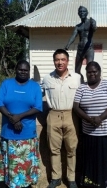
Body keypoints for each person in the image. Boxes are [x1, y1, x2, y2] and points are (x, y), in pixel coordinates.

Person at [73, 61, 107, 188]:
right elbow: (76, 107)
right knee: (91, 159)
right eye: (89, 72)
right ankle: (91, 183)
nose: (92, 74)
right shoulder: (82, 87)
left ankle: (106, 183)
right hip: (89, 132)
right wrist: (89, 119)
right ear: (86, 73)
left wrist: (100, 118)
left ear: (99, 72)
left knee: (105, 159)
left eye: (95, 71)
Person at [0, 60, 43, 188]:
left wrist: (19, 117)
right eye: (20, 69)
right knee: (11, 165)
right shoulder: (6, 84)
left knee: (25, 166)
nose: (23, 72)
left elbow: (38, 107)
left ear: (29, 72)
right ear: (15, 69)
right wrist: (12, 118)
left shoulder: (34, 86)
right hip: (8, 133)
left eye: (26, 70)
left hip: (27, 134)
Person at [43, 49, 81, 188]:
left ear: (67, 61)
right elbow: (39, 94)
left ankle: (71, 179)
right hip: (53, 115)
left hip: (71, 115)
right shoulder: (47, 78)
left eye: (62, 59)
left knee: (72, 149)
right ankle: (56, 177)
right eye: (57, 60)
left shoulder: (76, 77)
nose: (60, 62)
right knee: (54, 149)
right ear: (54, 61)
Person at [65, 6, 97, 82]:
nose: (82, 13)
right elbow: (73, 36)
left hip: (89, 48)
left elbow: (94, 28)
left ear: (87, 13)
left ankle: (91, 84)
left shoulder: (90, 22)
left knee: (90, 68)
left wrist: (93, 24)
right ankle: (82, 83)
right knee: (77, 70)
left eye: (84, 11)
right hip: (80, 50)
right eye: (80, 12)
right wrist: (67, 45)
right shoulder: (77, 26)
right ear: (78, 14)